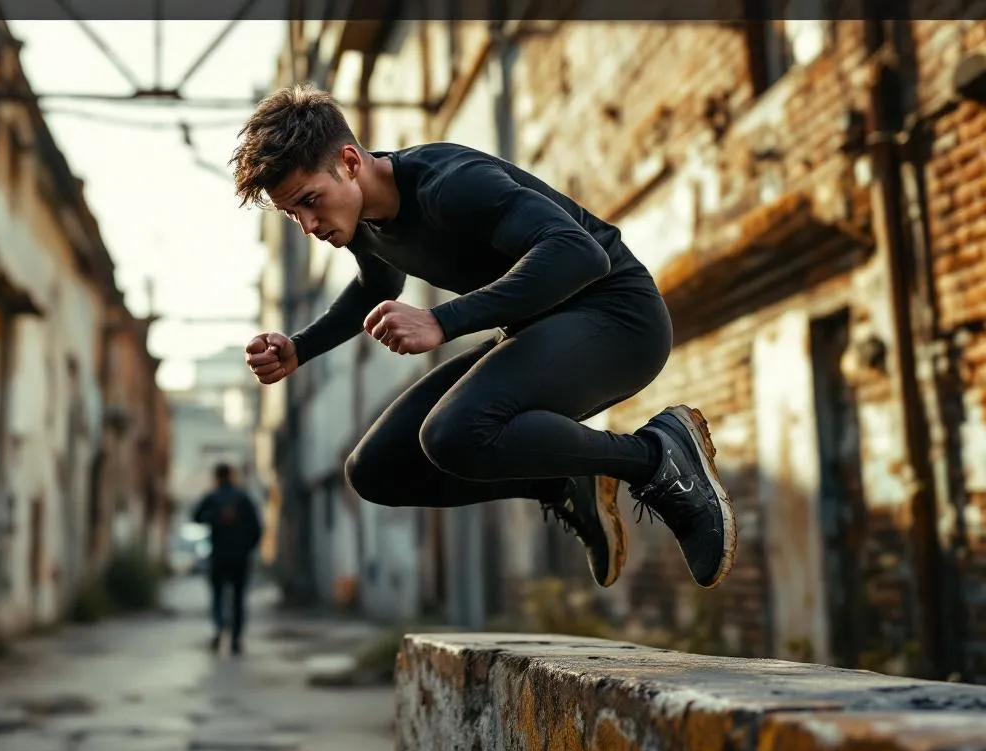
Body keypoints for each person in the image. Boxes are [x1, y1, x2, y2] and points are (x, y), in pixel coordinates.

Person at [230, 83, 735, 591]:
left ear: (350, 161)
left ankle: (656, 456)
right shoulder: (362, 222)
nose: (309, 225)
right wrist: (302, 347)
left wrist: (442, 321)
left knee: (453, 432)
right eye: (293, 214)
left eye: (310, 202)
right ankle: (563, 479)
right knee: (375, 469)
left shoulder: (450, 183)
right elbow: (375, 285)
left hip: (621, 320)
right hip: (542, 331)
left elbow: (579, 253)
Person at [192, 462, 264, 654]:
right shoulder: (242, 498)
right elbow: (257, 528)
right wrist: (248, 547)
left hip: (219, 556)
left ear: (216, 476)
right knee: (238, 598)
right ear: (231, 475)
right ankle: (236, 639)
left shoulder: (212, 498)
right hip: (240, 557)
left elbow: (196, 516)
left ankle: (220, 625)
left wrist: (214, 518)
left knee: (217, 595)